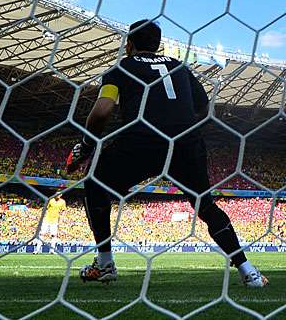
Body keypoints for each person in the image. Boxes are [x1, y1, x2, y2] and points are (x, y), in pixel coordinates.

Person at [66, 20, 267, 287]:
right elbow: (208, 112)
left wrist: (86, 147)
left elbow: (102, 111)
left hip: (142, 141)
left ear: (129, 44)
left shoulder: (121, 68)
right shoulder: (180, 67)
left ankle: (104, 263)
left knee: (95, 185)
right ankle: (248, 272)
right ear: (157, 44)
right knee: (205, 207)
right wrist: (183, 132)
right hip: (185, 144)